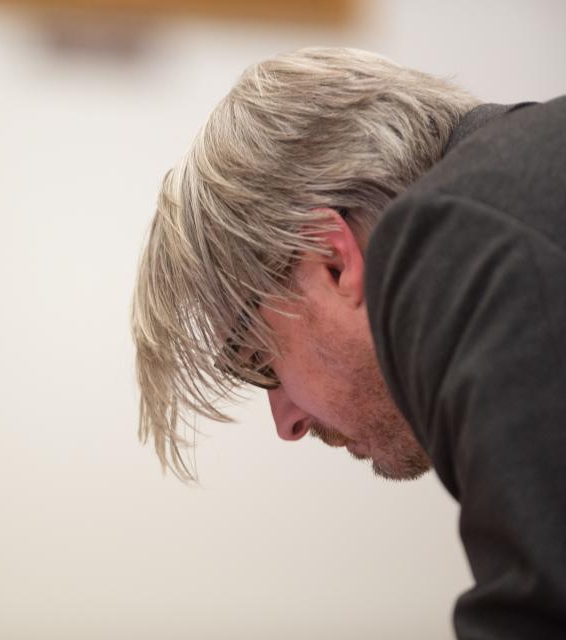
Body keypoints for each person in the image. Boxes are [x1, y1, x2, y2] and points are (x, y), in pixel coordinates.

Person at [132, 47, 566, 638]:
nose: (286, 423)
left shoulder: (475, 239)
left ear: (332, 260)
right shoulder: (523, 189)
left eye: (260, 359)